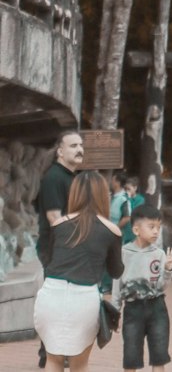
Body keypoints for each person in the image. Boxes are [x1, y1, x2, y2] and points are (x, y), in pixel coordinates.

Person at [33, 169, 123, 372]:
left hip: (50, 296)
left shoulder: (58, 224)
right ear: (103, 194)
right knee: (80, 364)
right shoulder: (111, 229)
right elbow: (116, 271)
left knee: (53, 360)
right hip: (83, 299)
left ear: (74, 194)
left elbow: (48, 260)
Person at [35, 128, 85, 369]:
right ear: (60, 151)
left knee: (66, 303)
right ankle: (49, 353)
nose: (79, 149)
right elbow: (55, 218)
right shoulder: (54, 178)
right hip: (56, 250)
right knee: (56, 304)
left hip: (69, 249)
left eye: (80, 145)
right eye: (73, 145)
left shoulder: (72, 177)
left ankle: (57, 351)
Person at [115, 203, 172, 372]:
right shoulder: (124, 253)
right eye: (151, 227)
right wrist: (115, 311)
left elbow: (162, 286)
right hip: (133, 310)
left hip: (157, 308)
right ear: (136, 230)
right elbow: (117, 285)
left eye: (158, 227)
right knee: (131, 358)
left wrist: (168, 269)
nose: (156, 231)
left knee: (159, 356)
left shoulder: (159, 254)